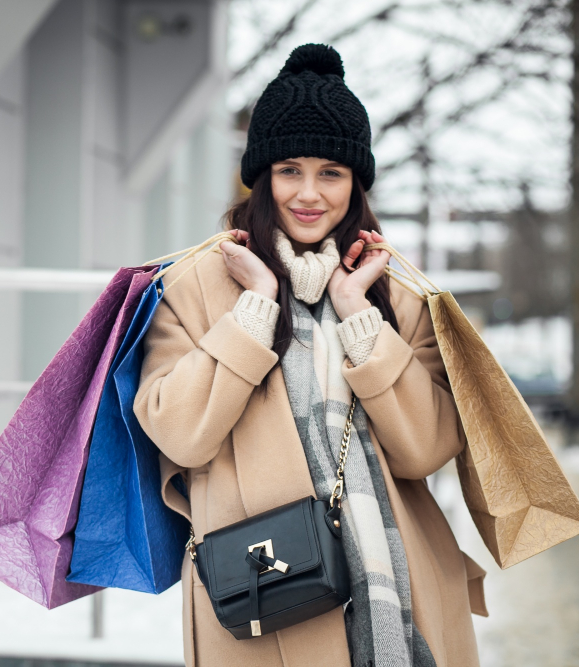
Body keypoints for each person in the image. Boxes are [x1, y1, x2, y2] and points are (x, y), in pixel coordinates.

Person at [132, 44, 487, 667]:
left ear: (356, 182)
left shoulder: (396, 293)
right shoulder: (193, 286)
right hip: (265, 596)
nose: (309, 193)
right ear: (263, 175)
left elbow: (426, 448)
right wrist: (256, 306)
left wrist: (356, 311)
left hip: (402, 589)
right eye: (290, 169)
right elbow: (180, 435)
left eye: (331, 172)